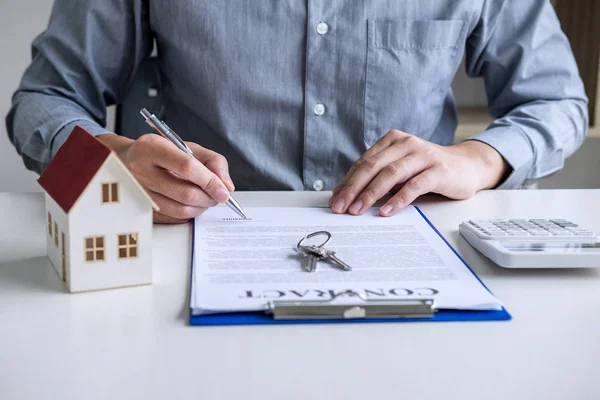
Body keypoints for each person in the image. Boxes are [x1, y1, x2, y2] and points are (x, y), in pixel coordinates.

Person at [6, 1, 588, 224]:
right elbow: (38, 106)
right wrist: (110, 168)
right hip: (186, 254)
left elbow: (559, 102)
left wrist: (481, 159)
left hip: (413, 251)